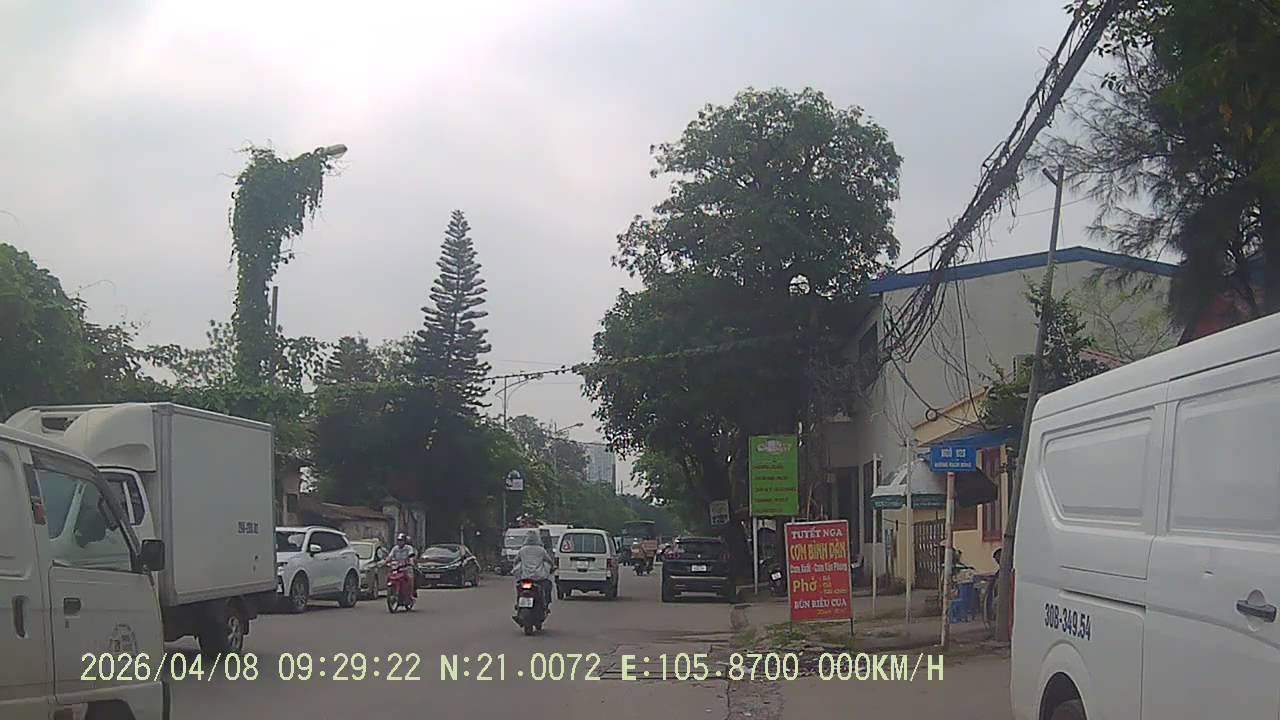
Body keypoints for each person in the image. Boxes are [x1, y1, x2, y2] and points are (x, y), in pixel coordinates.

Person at [513, 529, 555, 614]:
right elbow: (549, 561)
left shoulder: (522, 550)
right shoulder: (541, 550)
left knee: (519, 588)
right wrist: (552, 567)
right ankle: (545, 606)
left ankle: (518, 604)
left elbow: (516, 561)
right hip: (539, 578)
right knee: (548, 586)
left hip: (525, 577)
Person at [385, 533, 417, 597]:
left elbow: (411, 556)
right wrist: (385, 561)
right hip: (397, 568)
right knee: (389, 576)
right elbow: (390, 556)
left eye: (401, 540)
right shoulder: (395, 548)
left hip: (406, 568)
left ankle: (411, 594)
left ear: (404, 541)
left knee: (410, 578)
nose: (400, 542)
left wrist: (411, 562)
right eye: (398, 540)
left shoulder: (408, 548)